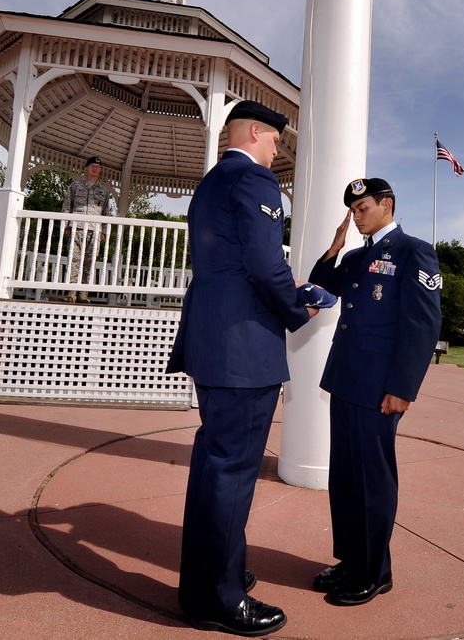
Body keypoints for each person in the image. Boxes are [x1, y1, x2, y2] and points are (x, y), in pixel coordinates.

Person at [166, 100, 318, 636]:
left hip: (211, 340)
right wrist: (299, 304)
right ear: (255, 131)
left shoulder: (209, 184)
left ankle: (210, 575)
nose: (277, 147)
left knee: (213, 465)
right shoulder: (256, 182)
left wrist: (284, 285)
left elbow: (232, 263)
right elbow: (262, 263)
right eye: (275, 138)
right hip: (242, 348)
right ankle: (218, 598)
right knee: (232, 473)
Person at [307, 177, 442, 606]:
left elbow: (423, 325)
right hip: (346, 379)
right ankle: (350, 560)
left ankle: (374, 572)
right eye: (352, 209)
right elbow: (322, 286)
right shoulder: (358, 256)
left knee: (372, 480)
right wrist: (334, 247)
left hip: (380, 388)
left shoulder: (412, 251)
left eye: (362, 207)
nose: (356, 215)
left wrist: (403, 388)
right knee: (345, 477)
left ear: (386, 204)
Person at [61, 156, 111, 303]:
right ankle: (71, 293)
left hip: (94, 230)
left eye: (97, 166)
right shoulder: (75, 186)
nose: (95, 168)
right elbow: (66, 206)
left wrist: (104, 231)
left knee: (89, 262)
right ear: (86, 168)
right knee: (74, 260)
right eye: (92, 166)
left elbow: (107, 212)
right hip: (77, 227)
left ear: (100, 170)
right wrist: (66, 225)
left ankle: (83, 293)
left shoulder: (104, 191)